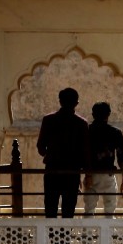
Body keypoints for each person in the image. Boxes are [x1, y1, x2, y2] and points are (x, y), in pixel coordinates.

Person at [37, 87, 89, 218]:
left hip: (52, 170)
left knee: (50, 206)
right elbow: (85, 151)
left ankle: (51, 237)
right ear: (77, 103)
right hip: (72, 172)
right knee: (69, 208)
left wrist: (51, 155)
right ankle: (64, 238)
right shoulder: (81, 124)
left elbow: (41, 147)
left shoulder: (48, 120)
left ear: (60, 101)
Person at [84, 101, 123, 216]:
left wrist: (85, 175)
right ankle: (108, 234)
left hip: (91, 175)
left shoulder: (87, 131)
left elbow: (83, 154)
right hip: (108, 175)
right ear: (108, 115)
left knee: (89, 210)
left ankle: (87, 233)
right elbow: (121, 157)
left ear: (93, 115)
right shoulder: (115, 132)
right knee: (110, 210)